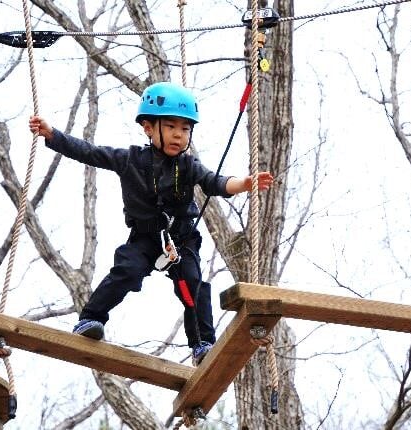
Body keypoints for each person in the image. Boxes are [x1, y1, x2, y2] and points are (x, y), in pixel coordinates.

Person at [28, 82, 273, 366]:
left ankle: (202, 344)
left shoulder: (189, 166)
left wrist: (242, 184)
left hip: (181, 239)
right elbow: (90, 152)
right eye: (170, 127)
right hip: (145, 238)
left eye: (185, 129)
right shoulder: (129, 159)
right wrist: (52, 135)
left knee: (192, 285)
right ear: (148, 127)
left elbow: (215, 182)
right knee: (127, 271)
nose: (178, 135)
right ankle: (90, 319)